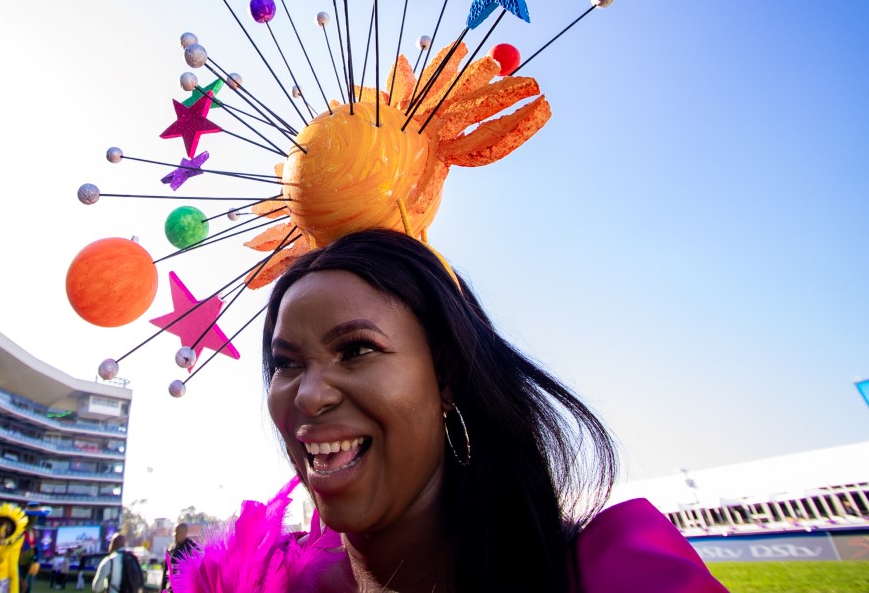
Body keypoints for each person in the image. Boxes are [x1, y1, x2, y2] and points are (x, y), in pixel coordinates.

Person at [175, 230, 728, 593]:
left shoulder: (616, 578)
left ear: (446, 377)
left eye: (357, 350)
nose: (308, 396)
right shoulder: (250, 584)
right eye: (286, 364)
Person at [159, 524, 196, 592]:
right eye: (175, 532)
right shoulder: (171, 549)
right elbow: (166, 571)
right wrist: (162, 589)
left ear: (185, 533)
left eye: (178, 532)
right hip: (172, 588)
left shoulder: (192, 548)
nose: (175, 535)